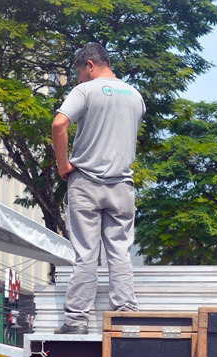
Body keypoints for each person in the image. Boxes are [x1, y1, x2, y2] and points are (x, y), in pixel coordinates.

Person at [51, 42, 146, 335]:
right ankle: (125, 315)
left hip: (86, 183)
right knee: (120, 252)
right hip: (122, 186)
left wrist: (62, 164)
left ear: (90, 65)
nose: (80, 79)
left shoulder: (85, 91)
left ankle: (77, 321)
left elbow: (59, 124)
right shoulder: (135, 96)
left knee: (86, 254)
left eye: (80, 73)